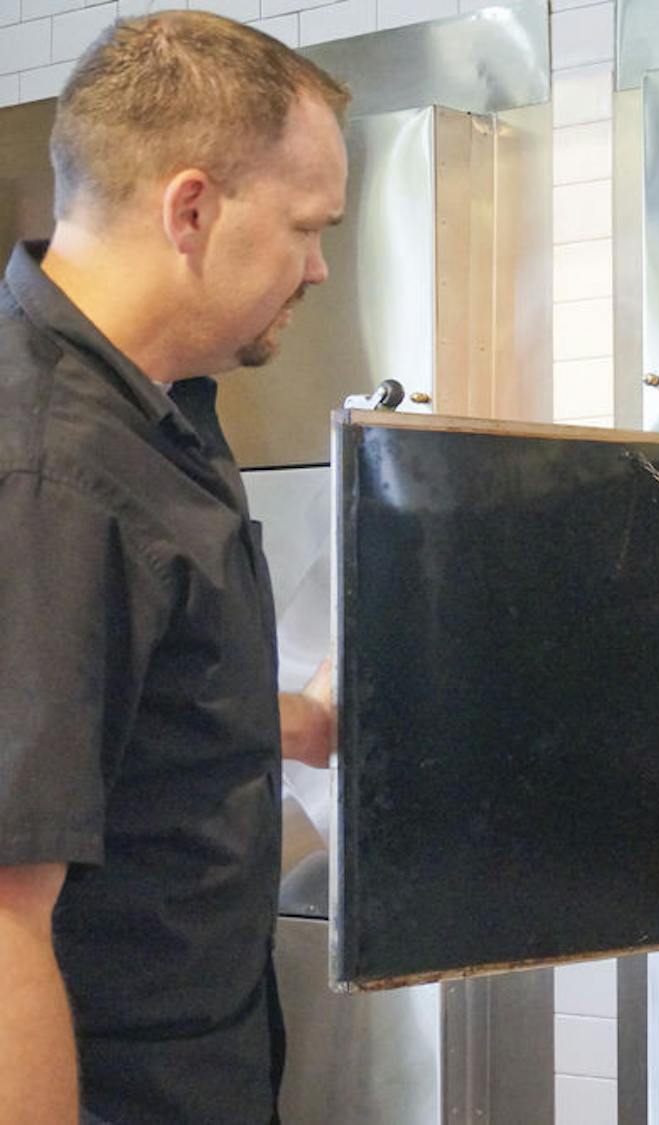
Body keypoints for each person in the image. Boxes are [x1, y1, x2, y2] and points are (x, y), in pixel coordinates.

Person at [0, 12, 349, 1122]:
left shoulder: (148, 415)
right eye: (305, 227)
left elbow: (112, 706)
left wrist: (298, 722)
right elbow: (5, 915)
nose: (318, 267)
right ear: (191, 209)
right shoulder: (51, 470)